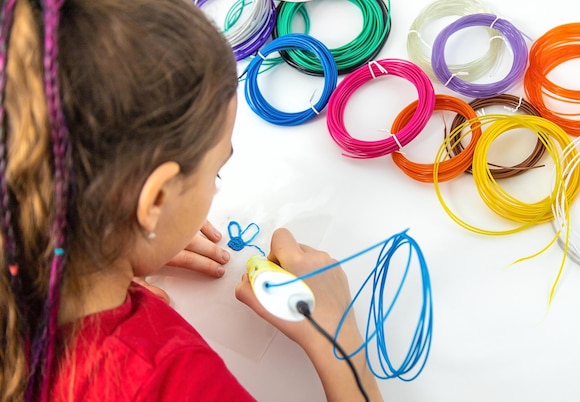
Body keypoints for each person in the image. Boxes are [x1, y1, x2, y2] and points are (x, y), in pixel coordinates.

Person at [0, 0, 384, 401]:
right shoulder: (169, 381)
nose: (216, 185)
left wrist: (105, 249)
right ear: (155, 200)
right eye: (216, 172)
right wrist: (339, 344)